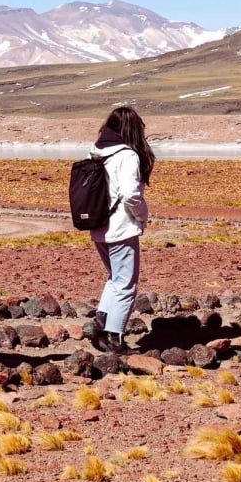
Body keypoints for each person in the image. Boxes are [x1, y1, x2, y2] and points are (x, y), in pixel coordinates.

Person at [87, 106, 155, 354]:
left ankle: (101, 323)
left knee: (115, 278)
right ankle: (115, 337)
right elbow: (130, 195)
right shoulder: (127, 155)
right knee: (126, 283)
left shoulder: (98, 151)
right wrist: (142, 216)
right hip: (121, 228)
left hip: (99, 225)